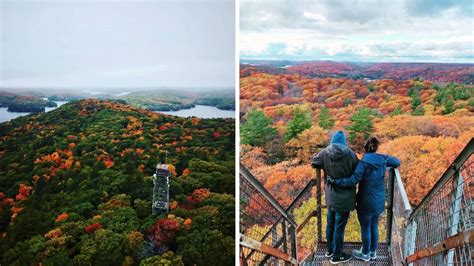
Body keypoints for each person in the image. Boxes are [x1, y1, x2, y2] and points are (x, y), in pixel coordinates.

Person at [327, 136, 400, 262]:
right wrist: (383, 156)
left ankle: (365, 253)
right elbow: (397, 162)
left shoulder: (363, 163)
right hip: (379, 200)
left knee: (366, 227)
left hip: (365, 201)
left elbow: (352, 180)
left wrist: (336, 182)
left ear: (365, 149)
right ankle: (373, 252)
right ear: (376, 148)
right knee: (374, 226)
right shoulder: (383, 159)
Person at [311, 130, 358, 264]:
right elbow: (358, 169)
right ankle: (337, 256)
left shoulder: (325, 153)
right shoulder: (350, 154)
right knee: (339, 227)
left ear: (332, 141)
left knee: (330, 224)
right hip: (346, 198)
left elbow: (314, 162)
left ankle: (330, 250)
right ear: (344, 142)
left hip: (331, 197)